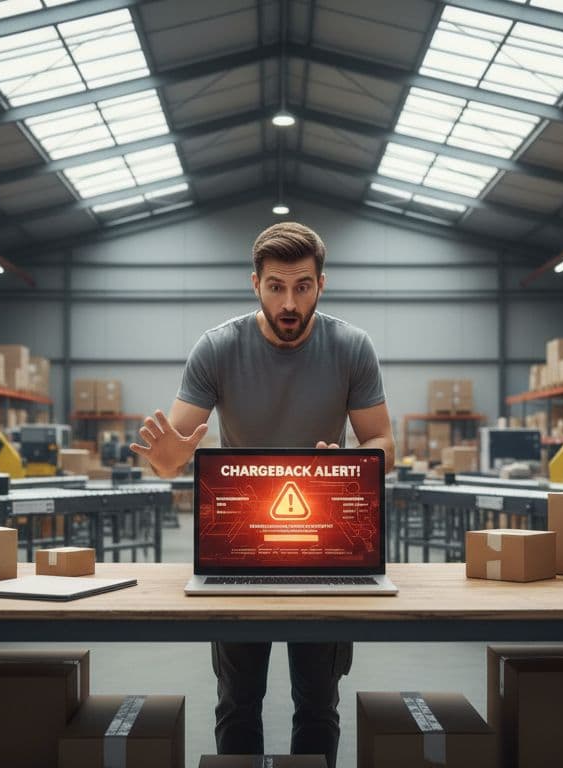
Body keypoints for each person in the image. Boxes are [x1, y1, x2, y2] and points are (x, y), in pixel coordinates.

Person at [130, 221, 395, 767]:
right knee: (237, 704)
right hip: (238, 547)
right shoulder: (217, 349)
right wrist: (167, 460)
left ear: (323, 283)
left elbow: (382, 441)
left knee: (319, 705)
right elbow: (176, 448)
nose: (289, 301)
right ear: (255, 284)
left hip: (328, 549)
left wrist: (354, 463)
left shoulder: (351, 347)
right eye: (276, 286)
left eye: (302, 286)